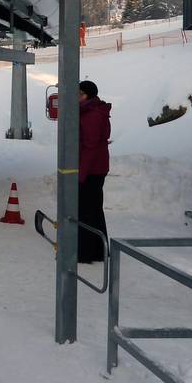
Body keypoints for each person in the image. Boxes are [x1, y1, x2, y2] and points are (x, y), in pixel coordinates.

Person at [78, 80, 111, 263]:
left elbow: (89, 147)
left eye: (80, 94)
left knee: (86, 210)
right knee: (94, 209)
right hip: (96, 168)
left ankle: (86, 252)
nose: (77, 97)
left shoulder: (92, 114)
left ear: (89, 96)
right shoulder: (91, 110)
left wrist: (80, 175)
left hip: (91, 170)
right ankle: (99, 250)